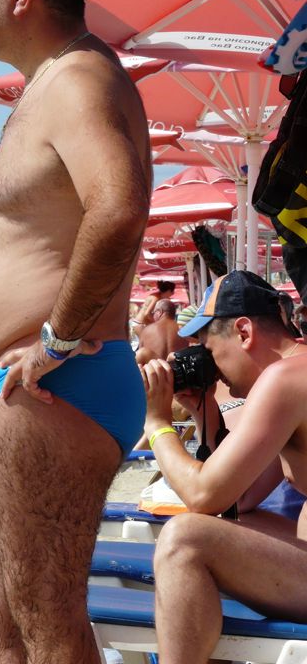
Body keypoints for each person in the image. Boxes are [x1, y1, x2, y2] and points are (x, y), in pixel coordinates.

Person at [0, 0, 150, 663]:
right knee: (1, 616)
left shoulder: (78, 80)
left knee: (47, 625)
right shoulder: (53, 82)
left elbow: (118, 208)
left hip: (58, 387)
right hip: (29, 392)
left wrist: (57, 340)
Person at [141, 270, 307, 664]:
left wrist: (157, 424)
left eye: (209, 350)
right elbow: (238, 500)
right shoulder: (294, 374)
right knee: (229, 526)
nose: (211, 367)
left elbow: (203, 496)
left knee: (184, 540)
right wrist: (205, 411)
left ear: (244, 332)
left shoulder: (283, 380)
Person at [135, 299, 188, 364]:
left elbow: (140, 360)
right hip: (178, 369)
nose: (153, 316)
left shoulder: (147, 330)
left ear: (159, 312)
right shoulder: (183, 330)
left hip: (155, 369)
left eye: (153, 313)